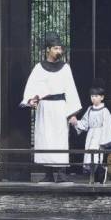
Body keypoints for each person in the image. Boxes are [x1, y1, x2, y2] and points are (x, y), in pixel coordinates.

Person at [21, 32, 82, 184]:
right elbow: (32, 87)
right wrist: (31, 99)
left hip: (60, 107)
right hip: (44, 108)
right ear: (48, 49)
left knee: (60, 139)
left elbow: (71, 90)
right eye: (55, 48)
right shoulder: (38, 68)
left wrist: (72, 113)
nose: (59, 51)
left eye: (60, 48)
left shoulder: (65, 68)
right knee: (45, 138)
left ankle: (61, 173)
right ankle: (47, 173)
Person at [70, 78, 111, 184]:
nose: (94, 98)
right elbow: (85, 123)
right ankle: (93, 178)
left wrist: (104, 140)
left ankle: (100, 175)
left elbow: (108, 126)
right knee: (89, 156)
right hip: (91, 135)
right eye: (92, 96)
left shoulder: (105, 111)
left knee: (97, 157)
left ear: (102, 97)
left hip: (100, 136)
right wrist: (76, 122)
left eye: (96, 96)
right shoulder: (89, 109)